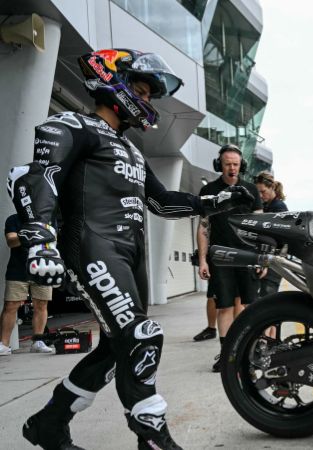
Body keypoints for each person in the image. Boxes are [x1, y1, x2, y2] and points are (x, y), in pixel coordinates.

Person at [8, 48, 253, 450]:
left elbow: (162, 202)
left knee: (114, 348)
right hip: (90, 247)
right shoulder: (71, 124)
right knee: (142, 336)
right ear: (112, 82)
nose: (145, 101)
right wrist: (40, 240)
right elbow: (36, 177)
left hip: (128, 254)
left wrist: (218, 201)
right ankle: (152, 438)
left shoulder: (133, 151)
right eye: (140, 90)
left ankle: (48, 424)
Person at [197, 144, 262, 372]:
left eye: (235, 164)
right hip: (220, 257)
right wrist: (203, 259)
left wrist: (261, 257)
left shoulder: (252, 190)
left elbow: (260, 227)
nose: (232, 168)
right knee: (224, 307)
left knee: (249, 307)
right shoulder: (209, 191)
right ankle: (226, 356)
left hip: (246, 256)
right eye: (227, 164)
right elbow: (204, 227)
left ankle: (249, 351)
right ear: (219, 165)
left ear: (241, 165)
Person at [0, 213, 55, 355]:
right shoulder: (13, 218)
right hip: (18, 268)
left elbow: (53, 239)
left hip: (43, 266)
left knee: (41, 304)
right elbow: (11, 241)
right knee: (11, 305)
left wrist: (26, 237)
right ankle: (4, 344)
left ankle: (38, 341)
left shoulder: (47, 217)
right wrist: (35, 235)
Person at [254, 172, 288, 297]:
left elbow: (276, 238)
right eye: (258, 192)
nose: (261, 195)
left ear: (272, 187)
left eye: (263, 191)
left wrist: (265, 262)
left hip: (274, 259)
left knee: (267, 298)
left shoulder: (279, 208)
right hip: (266, 257)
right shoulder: (266, 206)